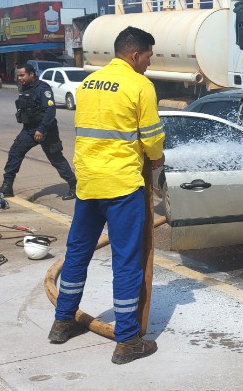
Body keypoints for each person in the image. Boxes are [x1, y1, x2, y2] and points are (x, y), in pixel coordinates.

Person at [49, 26, 164, 365]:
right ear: (134, 55)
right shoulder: (139, 85)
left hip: (87, 183)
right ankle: (127, 340)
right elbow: (152, 137)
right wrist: (156, 157)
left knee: (77, 253)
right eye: (148, 57)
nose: (149, 63)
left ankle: (63, 321)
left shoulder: (88, 83)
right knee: (127, 261)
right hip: (122, 186)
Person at [0, 64, 77, 200]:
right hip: (29, 129)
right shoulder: (25, 87)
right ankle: (7, 186)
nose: (20, 78)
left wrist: (41, 129)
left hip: (46, 130)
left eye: (22, 75)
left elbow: (50, 111)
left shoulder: (43, 88)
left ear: (31, 74)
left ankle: (74, 186)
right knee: (15, 152)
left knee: (56, 158)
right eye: (18, 76)